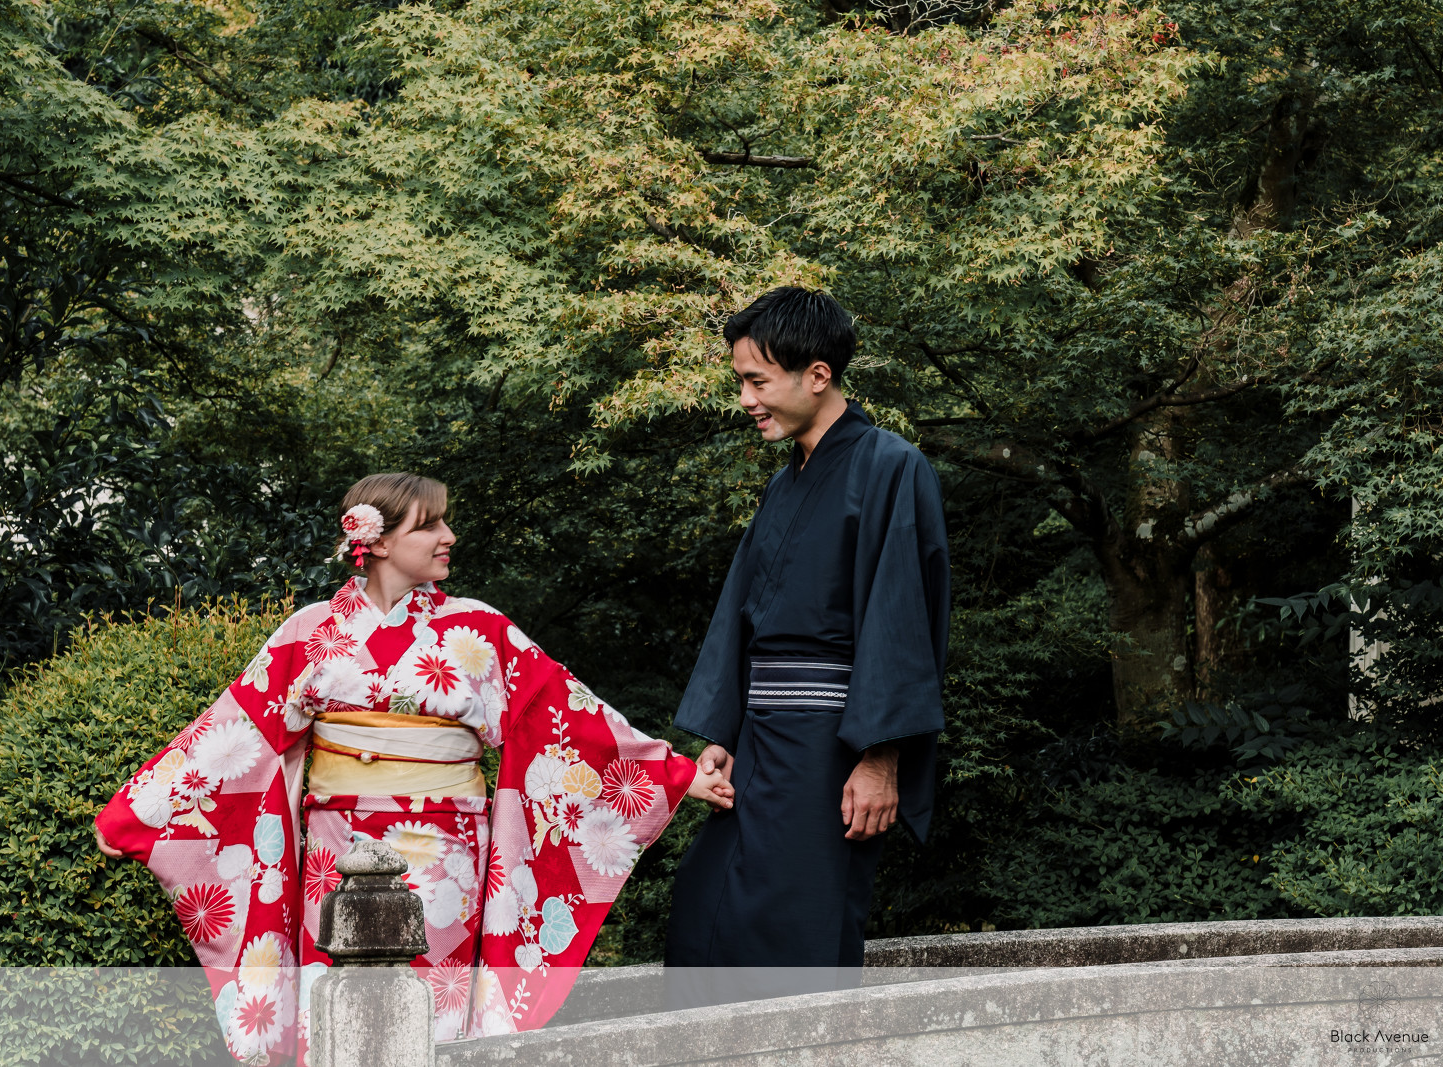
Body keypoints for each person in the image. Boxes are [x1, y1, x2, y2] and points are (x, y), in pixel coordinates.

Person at [96, 473, 731, 1062]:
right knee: (333, 994)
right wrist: (139, 814)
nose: (448, 536)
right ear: (374, 541)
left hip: (445, 848)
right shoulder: (311, 630)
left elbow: (564, 717)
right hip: (336, 850)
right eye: (429, 526)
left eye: (444, 522)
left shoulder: (479, 630)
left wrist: (674, 775)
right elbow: (236, 733)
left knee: (433, 1000)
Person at [663, 288, 951, 1004]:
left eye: (757, 381)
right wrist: (724, 734)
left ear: (817, 375)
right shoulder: (782, 485)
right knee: (705, 905)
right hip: (761, 739)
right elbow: (744, 615)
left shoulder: (891, 466)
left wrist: (880, 759)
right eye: (741, 381)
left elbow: (901, 616)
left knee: (798, 924)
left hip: (832, 747)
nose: (745, 399)